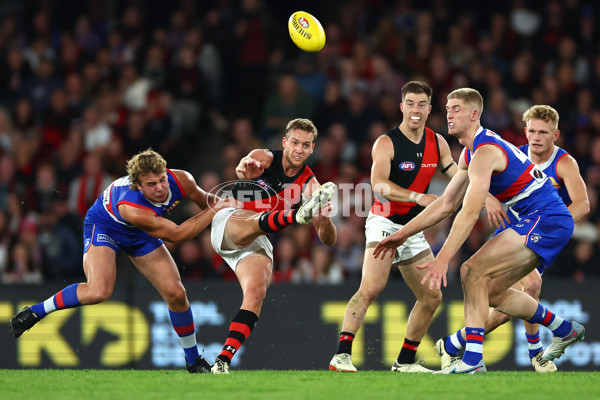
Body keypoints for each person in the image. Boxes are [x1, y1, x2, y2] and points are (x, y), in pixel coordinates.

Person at [374, 89, 586, 374]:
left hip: (546, 219)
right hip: (541, 220)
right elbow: (447, 204)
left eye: (457, 109)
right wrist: (402, 233)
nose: (449, 113)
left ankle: (472, 359)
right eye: (448, 108)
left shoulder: (485, 151)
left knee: (470, 271)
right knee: (493, 291)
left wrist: (442, 257)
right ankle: (564, 328)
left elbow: (471, 211)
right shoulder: (469, 153)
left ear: (475, 115)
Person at [9, 149, 226, 373]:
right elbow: (178, 235)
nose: (160, 188)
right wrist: (215, 210)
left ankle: (193, 361)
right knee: (98, 291)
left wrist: (232, 212)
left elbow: (207, 203)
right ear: (138, 186)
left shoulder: (181, 179)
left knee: (177, 293)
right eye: (151, 184)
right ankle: (36, 311)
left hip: (140, 231)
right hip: (105, 227)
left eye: (162, 179)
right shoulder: (130, 205)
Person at [434, 104, 590, 373]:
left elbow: (583, 205)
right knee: (492, 291)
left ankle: (532, 351)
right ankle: (459, 345)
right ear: (525, 132)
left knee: (528, 284)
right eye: (532, 131)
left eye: (543, 132)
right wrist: (490, 200)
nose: (536, 137)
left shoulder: (564, 162)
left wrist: (547, 228)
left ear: (555, 135)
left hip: (541, 228)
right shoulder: (517, 155)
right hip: (516, 228)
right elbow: (481, 182)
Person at [329, 81, 459, 373]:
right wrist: (418, 196)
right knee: (372, 287)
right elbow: (378, 185)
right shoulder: (386, 142)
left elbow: (456, 174)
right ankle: (341, 355)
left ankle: (405, 361)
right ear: (402, 107)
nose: (416, 109)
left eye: (422, 104)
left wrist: (484, 192)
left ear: (429, 109)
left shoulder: (437, 142)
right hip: (385, 221)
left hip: (412, 228)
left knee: (432, 296)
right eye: (410, 103)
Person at [210, 118, 336, 374]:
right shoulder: (264, 158)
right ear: (284, 142)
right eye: (295, 142)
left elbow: (328, 240)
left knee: (256, 292)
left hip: (257, 237)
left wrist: (323, 219)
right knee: (262, 220)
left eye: (306, 145)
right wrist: (245, 168)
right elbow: (242, 168)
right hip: (230, 224)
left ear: (313, 149)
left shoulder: (311, 184)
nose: (299, 149)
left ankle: (222, 360)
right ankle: (295, 216)